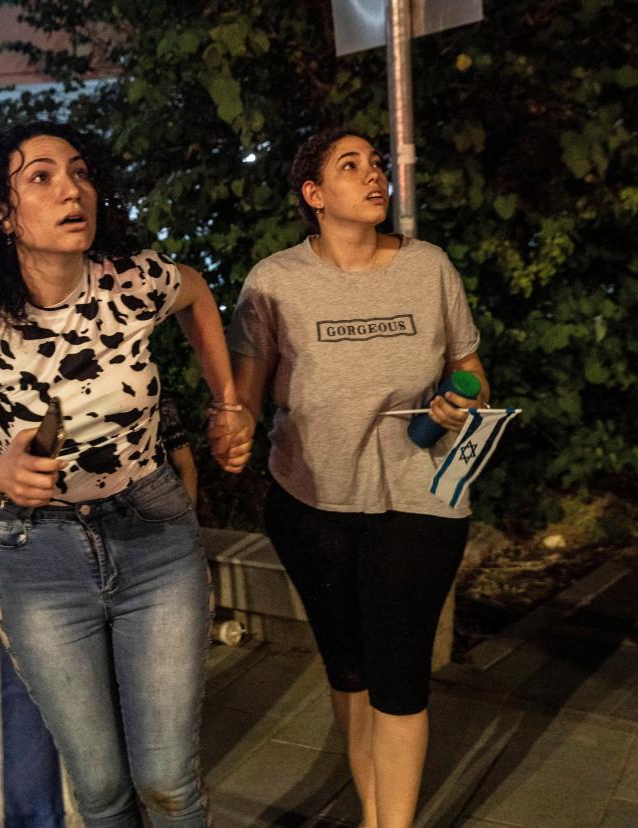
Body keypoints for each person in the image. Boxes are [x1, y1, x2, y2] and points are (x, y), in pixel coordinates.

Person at [0, 121, 253, 826]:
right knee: (101, 788)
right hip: (39, 558)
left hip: (153, 531)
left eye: (79, 171)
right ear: (3, 214)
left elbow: (196, 295)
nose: (72, 188)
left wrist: (229, 403)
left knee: (168, 780)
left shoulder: (133, 279)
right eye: (41, 177)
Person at [227, 128, 489, 828]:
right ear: (314, 195)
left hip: (420, 496)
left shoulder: (429, 267)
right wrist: (233, 427)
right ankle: (376, 814)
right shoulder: (274, 282)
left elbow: (471, 367)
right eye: (352, 166)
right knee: (348, 671)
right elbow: (244, 397)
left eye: (377, 163)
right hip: (312, 503)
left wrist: (460, 399)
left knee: (399, 679)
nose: (375, 175)